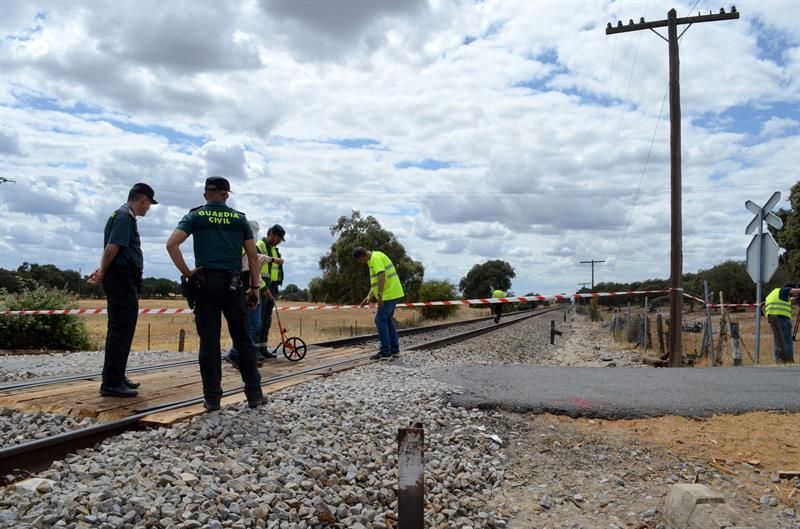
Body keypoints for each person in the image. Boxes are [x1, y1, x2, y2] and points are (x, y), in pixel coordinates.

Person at [165, 176, 265, 411]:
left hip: (205, 285)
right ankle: (254, 394)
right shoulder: (239, 219)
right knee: (244, 341)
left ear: (205, 195)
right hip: (234, 285)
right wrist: (254, 289)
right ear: (226, 195)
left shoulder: (195, 216)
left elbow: (171, 244)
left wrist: (189, 273)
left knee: (209, 343)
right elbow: (252, 256)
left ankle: (212, 399)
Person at [87, 183, 157, 397]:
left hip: (122, 279)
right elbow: (112, 248)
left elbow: (112, 247)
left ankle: (117, 376)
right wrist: (102, 272)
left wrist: (103, 271)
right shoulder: (125, 217)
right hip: (121, 279)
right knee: (120, 330)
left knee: (123, 330)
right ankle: (111, 382)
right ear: (143, 199)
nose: (148, 208)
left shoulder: (121, 215)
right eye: (149, 204)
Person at [224, 221, 271, 369]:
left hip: (249, 289)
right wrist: (256, 290)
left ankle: (240, 354)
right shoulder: (248, 249)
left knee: (251, 324)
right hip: (249, 290)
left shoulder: (240, 247)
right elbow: (251, 272)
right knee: (252, 324)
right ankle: (237, 353)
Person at [354, 247, 404, 360]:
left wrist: (380, 295)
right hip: (392, 293)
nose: (361, 263)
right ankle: (394, 350)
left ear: (362, 257)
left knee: (380, 320)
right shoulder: (373, 259)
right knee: (387, 320)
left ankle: (385, 352)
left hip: (388, 294)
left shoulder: (375, 258)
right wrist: (369, 296)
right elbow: (375, 282)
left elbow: (381, 276)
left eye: (359, 261)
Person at [254, 224, 286, 358]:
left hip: (271, 289)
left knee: (266, 320)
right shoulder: (259, 246)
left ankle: (262, 349)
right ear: (271, 234)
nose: (279, 241)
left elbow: (276, 272)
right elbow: (254, 270)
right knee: (258, 321)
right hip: (260, 289)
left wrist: (276, 288)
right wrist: (264, 288)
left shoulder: (275, 250)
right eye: (278, 237)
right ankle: (254, 352)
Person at [764, 284, 800, 364]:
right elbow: (794, 291)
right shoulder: (783, 290)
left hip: (773, 319)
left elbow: (790, 301)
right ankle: (789, 360)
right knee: (787, 341)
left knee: (778, 341)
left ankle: (779, 360)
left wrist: (796, 298)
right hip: (782, 319)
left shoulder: (775, 293)